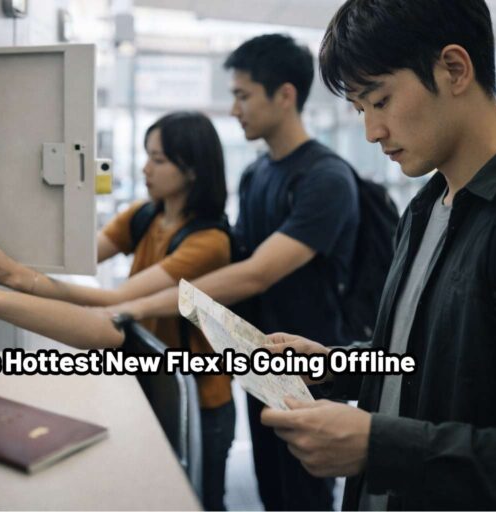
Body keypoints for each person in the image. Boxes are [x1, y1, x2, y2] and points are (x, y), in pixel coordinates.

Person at [259, 0, 496, 509]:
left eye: (381, 100)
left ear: (454, 68)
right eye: (361, 110)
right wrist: (333, 365)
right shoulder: (426, 206)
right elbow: (433, 361)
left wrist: (376, 445)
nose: (372, 132)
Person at [0, 111, 236, 511]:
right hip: (147, 377)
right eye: (147, 155)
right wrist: (11, 260)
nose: (145, 167)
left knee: (197, 500)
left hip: (198, 396)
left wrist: (19, 278)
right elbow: (74, 256)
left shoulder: (210, 242)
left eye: (158, 159)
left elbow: (119, 302)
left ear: (192, 169)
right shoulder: (145, 215)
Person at [109, 34, 360, 510]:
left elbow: (255, 274)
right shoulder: (257, 174)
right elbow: (236, 260)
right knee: (271, 489)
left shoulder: (326, 179)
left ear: (285, 95)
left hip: (308, 370)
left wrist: (137, 304)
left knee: (304, 497)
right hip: (255, 360)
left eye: (243, 95)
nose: (234, 109)